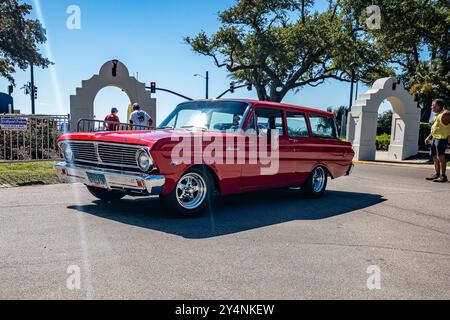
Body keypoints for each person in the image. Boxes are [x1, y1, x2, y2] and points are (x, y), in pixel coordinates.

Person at [425, 99, 450, 183]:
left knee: (440, 157)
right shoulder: (436, 116)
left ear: (439, 106)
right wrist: (429, 138)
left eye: (433, 105)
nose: (431, 107)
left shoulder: (445, 114)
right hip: (435, 139)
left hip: (441, 139)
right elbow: (435, 129)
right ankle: (437, 174)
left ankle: (443, 176)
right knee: (435, 157)